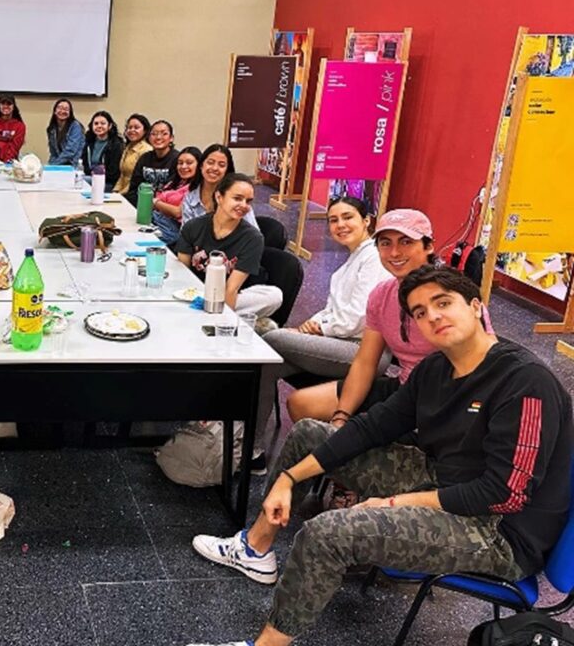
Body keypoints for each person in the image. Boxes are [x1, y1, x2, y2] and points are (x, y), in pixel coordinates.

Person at [188, 266, 572, 646]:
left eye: (443, 303)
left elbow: (505, 494)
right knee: (308, 434)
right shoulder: (437, 368)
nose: (432, 316)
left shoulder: (525, 382)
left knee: (328, 532)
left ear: (475, 306)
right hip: (443, 479)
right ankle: (255, 548)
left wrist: (393, 502)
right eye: (420, 312)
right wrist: (288, 479)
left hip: (496, 530)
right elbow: (374, 426)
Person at [249, 197, 393, 474]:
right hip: (338, 343)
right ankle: (252, 449)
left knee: (271, 340)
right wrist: (307, 327)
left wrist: (318, 329)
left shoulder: (373, 257)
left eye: (348, 217)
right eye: (333, 220)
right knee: (268, 362)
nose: (340, 225)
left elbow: (357, 318)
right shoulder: (350, 262)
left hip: (364, 351)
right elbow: (331, 309)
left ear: (367, 221)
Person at [285, 208, 443, 425]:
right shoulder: (382, 294)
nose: (395, 253)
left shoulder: (452, 294)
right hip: (404, 386)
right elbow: (365, 363)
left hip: (441, 398)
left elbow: (482, 363)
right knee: (300, 403)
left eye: (406, 242)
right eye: (386, 243)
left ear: (428, 246)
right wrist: (341, 416)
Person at [175, 172, 282, 317]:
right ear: (219, 197)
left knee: (274, 295)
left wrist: (221, 323)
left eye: (248, 201)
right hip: (194, 292)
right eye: (237, 198)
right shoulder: (193, 227)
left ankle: (227, 315)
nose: (244, 206)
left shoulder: (253, 238)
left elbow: (231, 288)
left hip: (225, 296)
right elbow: (182, 273)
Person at [182, 144, 260, 230]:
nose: (215, 168)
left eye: (221, 165)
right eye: (210, 162)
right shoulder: (190, 198)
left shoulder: (237, 198)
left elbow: (254, 234)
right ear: (201, 165)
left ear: (227, 170)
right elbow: (186, 234)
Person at [151, 146, 201, 245]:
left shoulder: (197, 187)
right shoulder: (176, 181)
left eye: (189, 163)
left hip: (174, 231)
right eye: (180, 163)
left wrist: (155, 202)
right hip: (158, 222)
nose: (183, 166)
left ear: (199, 165)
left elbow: (178, 212)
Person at [126, 119, 180, 200]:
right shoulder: (145, 158)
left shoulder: (177, 159)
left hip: (164, 206)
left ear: (171, 138)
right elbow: (134, 188)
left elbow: (175, 192)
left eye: (164, 134)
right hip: (141, 203)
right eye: (154, 134)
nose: (158, 137)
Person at [81, 110, 124, 191]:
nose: (99, 126)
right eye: (96, 123)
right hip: (91, 178)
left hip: (107, 182)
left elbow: (113, 173)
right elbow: (84, 164)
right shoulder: (89, 142)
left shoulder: (116, 144)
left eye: (103, 123)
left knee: (79, 182)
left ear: (110, 126)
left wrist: (95, 174)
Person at [113, 114, 153, 195]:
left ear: (145, 130)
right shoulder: (128, 147)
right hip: (123, 191)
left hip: (135, 193)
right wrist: (115, 192)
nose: (132, 130)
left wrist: (120, 195)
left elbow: (137, 181)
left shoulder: (146, 150)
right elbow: (122, 175)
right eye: (129, 127)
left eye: (136, 127)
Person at [46, 98, 84, 166]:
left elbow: (70, 151)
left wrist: (55, 165)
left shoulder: (75, 126)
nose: (62, 111)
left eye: (66, 109)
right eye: (60, 108)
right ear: (54, 111)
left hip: (73, 164)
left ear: (70, 113)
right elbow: (53, 153)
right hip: (59, 164)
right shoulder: (52, 129)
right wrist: (50, 166)